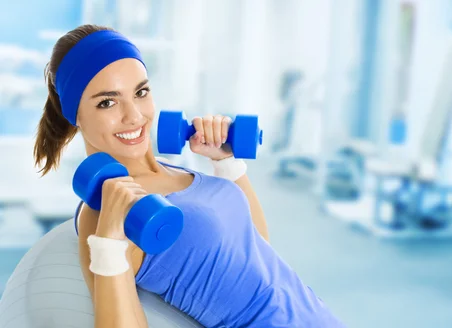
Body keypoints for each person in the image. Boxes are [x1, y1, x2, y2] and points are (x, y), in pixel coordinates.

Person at [33, 24, 345, 328]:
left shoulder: (177, 168)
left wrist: (226, 164)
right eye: (107, 102)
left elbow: (257, 246)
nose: (135, 115)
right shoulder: (108, 210)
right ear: (75, 115)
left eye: (140, 92)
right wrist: (109, 240)